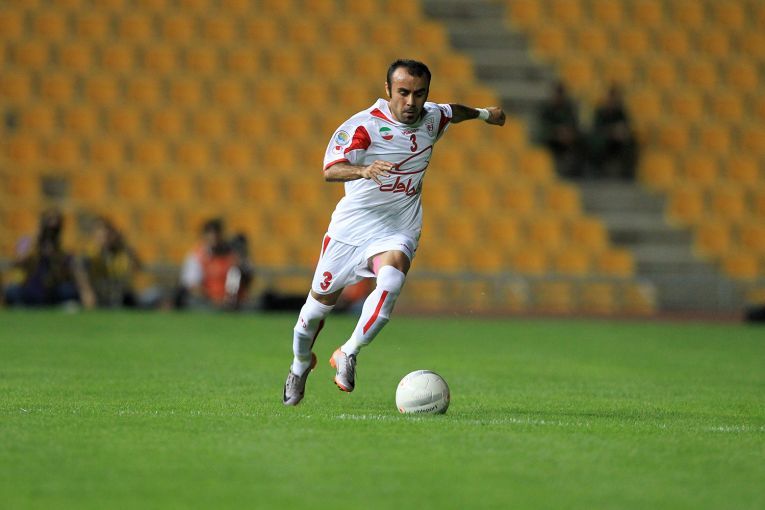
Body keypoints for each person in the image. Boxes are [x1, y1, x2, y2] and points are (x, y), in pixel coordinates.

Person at [283, 59, 505, 406]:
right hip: (351, 229)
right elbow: (331, 170)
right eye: (403, 92)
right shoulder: (364, 126)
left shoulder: (432, 117)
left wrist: (484, 114)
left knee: (391, 280)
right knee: (312, 315)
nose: (411, 102)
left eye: (419, 94)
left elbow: (453, 112)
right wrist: (363, 170)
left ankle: (348, 352)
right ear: (388, 90)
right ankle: (300, 365)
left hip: (399, 226)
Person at [4, 207, 95, 308]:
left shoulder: (62, 247)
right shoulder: (26, 241)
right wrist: (36, 242)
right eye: (48, 222)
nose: (51, 228)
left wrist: (56, 255)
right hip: (30, 287)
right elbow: (19, 259)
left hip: (53, 289)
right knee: (12, 291)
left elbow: (74, 267)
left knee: (68, 290)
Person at [175, 218, 251, 310]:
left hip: (232, 303)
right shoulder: (197, 256)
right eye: (210, 235)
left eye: (216, 235)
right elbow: (192, 285)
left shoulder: (233, 255)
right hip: (207, 302)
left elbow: (245, 278)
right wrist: (213, 301)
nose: (214, 239)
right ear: (204, 236)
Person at [81, 216, 142, 307]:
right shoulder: (90, 253)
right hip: (97, 292)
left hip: (119, 292)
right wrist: (87, 291)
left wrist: (124, 244)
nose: (105, 238)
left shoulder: (120, 252)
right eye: (101, 235)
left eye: (107, 234)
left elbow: (136, 268)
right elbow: (81, 270)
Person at [588, 83, 637, 180]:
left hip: (618, 139)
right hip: (604, 138)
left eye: (615, 99)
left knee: (630, 141)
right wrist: (612, 131)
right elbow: (597, 128)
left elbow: (626, 126)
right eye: (611, 98)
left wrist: (621, 132)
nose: (613, 101)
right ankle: (597, 168)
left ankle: (627, 170)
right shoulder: (600, 111)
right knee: (597, 141)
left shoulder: (621, 111)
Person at [537, 81, 585, 179]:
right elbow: (542, 128)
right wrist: (557, 132)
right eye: (556, 94)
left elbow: (574, 125)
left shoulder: (569, 108)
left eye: (560, 94)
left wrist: (568, 133)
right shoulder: (546, 109)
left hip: (568, 139)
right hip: (551, 139)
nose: (558, 97)